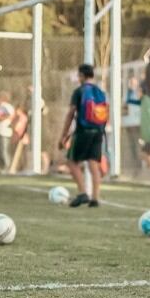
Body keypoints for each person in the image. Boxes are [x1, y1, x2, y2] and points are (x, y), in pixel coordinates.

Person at [59, 63, 109, 206]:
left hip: (83, 132)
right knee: (93, 163)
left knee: (72, 161)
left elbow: (71, 114)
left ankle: (82, 193)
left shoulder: (79, 91)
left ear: (81, 75)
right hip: (98, 132)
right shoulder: (100, 92)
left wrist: (64, 135)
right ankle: (95, 198)